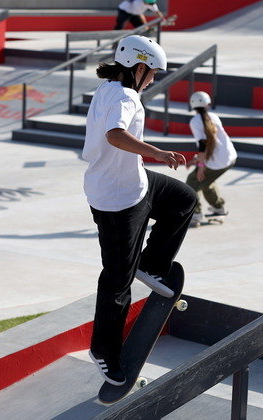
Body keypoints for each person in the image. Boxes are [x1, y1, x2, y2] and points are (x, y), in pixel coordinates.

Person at [83, 35, 197, 386]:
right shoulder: (123, 95)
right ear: (140, 66)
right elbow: (115, 135)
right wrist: (160, 153)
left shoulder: (108, 88)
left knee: (183, 199)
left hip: (134, 182)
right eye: (153, 74)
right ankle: (104, 351)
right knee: (118, 282)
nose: (152, 81)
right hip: (117, 201)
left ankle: (150, 264)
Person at [185, 91, 237, 227]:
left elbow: (204, 144)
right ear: (208, 103)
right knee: (207, 182)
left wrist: (200, 167)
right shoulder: (213, 116)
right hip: (230, 157)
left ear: (192, 105)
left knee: (192, 182)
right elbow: (213, 143)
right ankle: (219, 208)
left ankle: (195, 215)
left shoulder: (195, 121)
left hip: (216, 161)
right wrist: (196, 160)